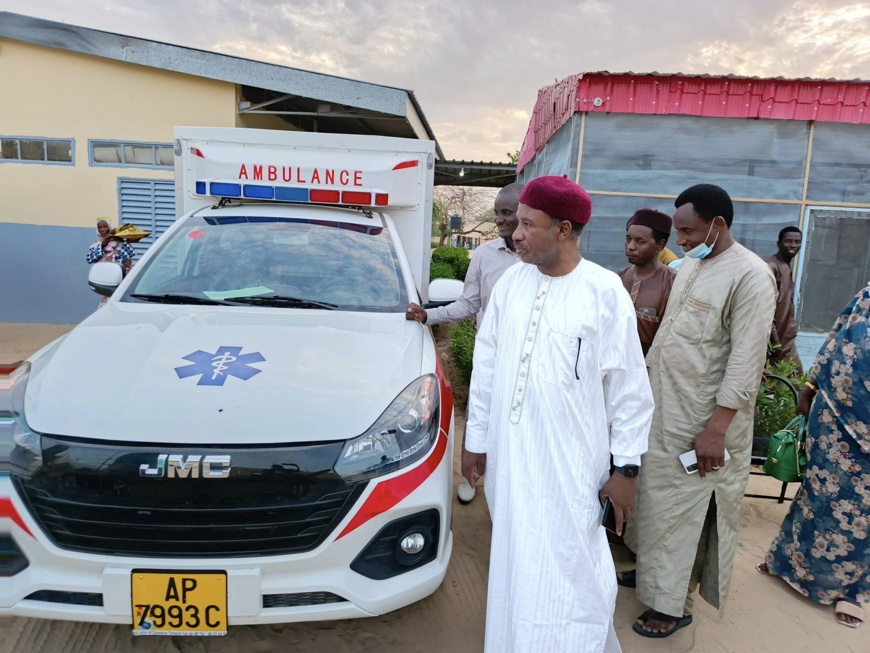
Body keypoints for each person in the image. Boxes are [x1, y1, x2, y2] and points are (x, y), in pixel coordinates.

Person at [464, 176, 654, 652]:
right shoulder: (511, 283)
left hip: (571, 464)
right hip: (511, 460)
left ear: (564, 229)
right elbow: (487, 364)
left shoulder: (603, 292)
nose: (516, 234)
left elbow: (629, 389)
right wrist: (476, 439)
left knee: (573, 567)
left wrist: (626, 468)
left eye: (528, 224)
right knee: (515, 562)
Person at [628, 184, 776, 638]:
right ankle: (653, 575)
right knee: (655, 502)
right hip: (665, 409)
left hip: (704, 422)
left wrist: (717, 429)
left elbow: (746, 360)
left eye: (688, 232)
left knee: (685, 512)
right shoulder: (691, 266)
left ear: (718, 225)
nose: (682, 241)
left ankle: (672, 605)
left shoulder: (751, 276)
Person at [756, 284, 870, 628]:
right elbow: (836, 336)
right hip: (832, 415)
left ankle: (852, 592)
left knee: (862, 512)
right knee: (816, 495)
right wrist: (809, 388)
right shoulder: (867, 295)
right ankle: (785, 561)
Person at [406, 182, 524, 503]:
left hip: (529, 359)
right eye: (497, 212)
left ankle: (512, 485)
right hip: (492, 356)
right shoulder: (485, 255)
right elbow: (468, 304)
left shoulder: (539, 261)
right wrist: (428, 315)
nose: (499, 219)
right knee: (478, 415)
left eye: (507, 212)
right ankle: (471, 479)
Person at [617, 209, 677, 357]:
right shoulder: (617, 279)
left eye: (640, 241)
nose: (630, 246)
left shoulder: (673, 283)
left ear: (660, 246)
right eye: (628, 239)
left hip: (651, 369)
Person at [765, 226, 803, 370]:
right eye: (788, 241)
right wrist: (774, 341)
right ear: (779, 244)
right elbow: (766, 308)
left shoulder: (785, 266)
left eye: (797, 242)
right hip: (774, 343)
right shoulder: (772, 267)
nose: (793, 245)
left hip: (785, 341)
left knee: (791, 385)